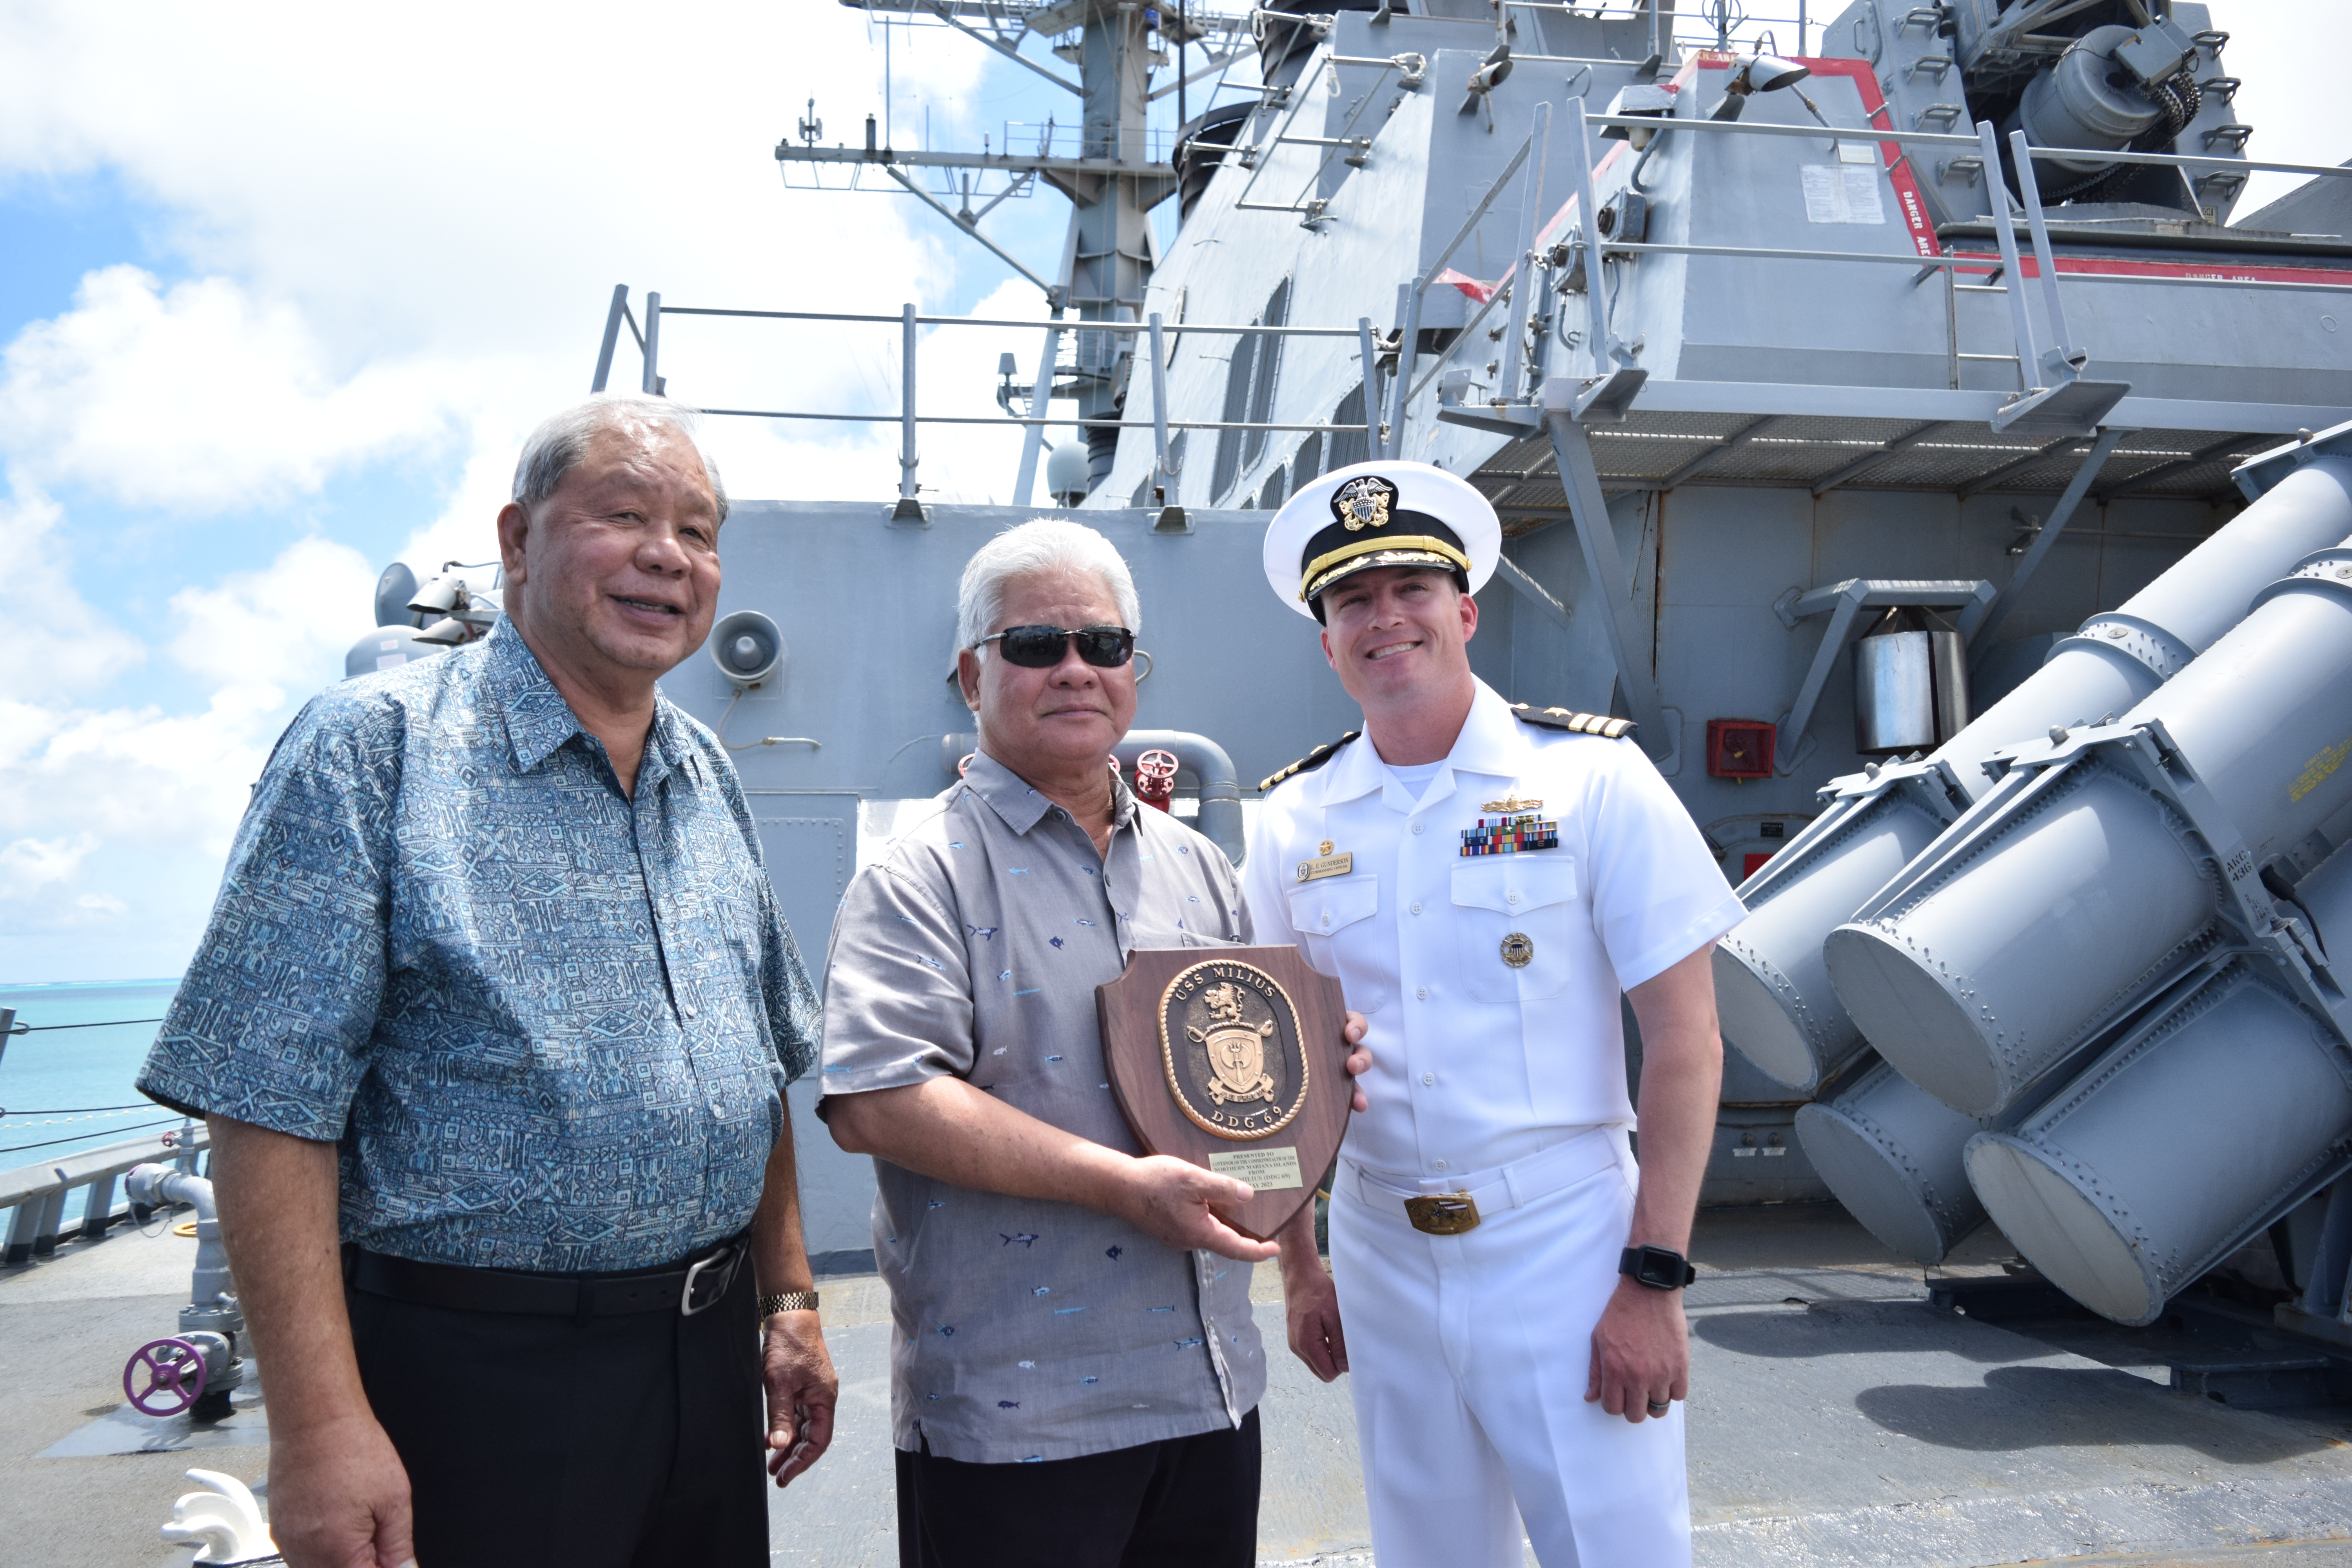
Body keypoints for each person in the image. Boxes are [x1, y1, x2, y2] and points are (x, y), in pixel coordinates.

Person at [135, 393, 837, 1568]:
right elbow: (264, 1106)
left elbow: (753, 1057)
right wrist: (317, 1430)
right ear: (518, 542)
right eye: (623, 515)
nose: (669, 555)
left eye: (699, 531)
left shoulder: (704, 769)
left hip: (705, 1365)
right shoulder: (373, 749)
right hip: (479, 1379)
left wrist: (790, 1301)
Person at [818, 518, 1369, 1568]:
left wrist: (1316, 1091)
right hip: (1016, 1421)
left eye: (1104, 646)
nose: (1075, 670)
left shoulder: (1200, 868)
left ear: (1134, 672)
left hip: (1207, 1394)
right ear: (970, 675)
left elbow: (1250, 1088)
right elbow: (880, 1098)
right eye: (1035, 646)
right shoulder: (919, 875)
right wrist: (1123, 1185)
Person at [1247, 463, 1746, 1568]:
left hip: (1565, 1242)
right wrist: (1300, 1266)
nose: (1384, 618)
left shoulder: (1594, 783)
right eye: (1351, 603)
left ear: (1464, 610)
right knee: (1428, 1554)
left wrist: (1652, 1277)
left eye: (1410, 589)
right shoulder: (1289, 822)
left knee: (1615, 1548)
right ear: (1326, 643)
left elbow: (1685, 1039)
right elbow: (1275, 1067)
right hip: (1378, 1245)